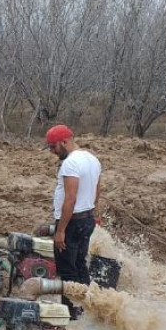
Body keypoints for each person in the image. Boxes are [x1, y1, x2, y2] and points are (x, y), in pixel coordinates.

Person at [46, 124, 102, 307]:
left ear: (64, 141)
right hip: (86, 219)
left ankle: (69, 316)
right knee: (80, 265)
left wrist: (60, 230)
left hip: (72, 223)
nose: (52, 152)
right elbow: (97, 190)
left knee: (67, 271)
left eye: (53, 147)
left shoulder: (70, 163)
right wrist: (90, 210)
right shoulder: (93, 159)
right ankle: (87, 309)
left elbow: (70, 198)